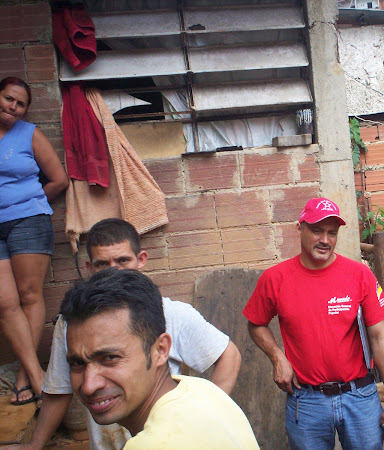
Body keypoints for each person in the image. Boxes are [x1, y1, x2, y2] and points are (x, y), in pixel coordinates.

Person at [23, 218, 242, 450]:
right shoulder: (73, 323)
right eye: (102, 264)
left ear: (141, 260)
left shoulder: (173, 314)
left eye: (122, 260)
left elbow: (229, 355)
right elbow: (59, 388)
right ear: (90, 269)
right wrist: (35, 444)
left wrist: (200, 419)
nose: (114, 271)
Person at [243, 198, 384, 449]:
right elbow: (255, 323)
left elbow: (379, 338)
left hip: (359, 396)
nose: (325, 240)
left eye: (332, 232)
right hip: (306, 400)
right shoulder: (275, 279)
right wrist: (277, 357)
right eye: (317, 230)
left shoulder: (359, 275)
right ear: (300, 229)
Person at [61, 268, 259, 449]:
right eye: (77, 363)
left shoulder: (151, 445)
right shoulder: (200, 389)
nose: (89, 385)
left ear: (161, 350)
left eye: (110, 358)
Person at [0, 76, 69, 405]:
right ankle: (38, 375)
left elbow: (59, 180)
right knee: (4, 303)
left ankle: (27, 378)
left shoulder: (29, 134)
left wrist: (26, 203)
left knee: (28, 295)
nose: (12, 106)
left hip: (28, 221)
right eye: (8, 99)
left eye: (20, 103)